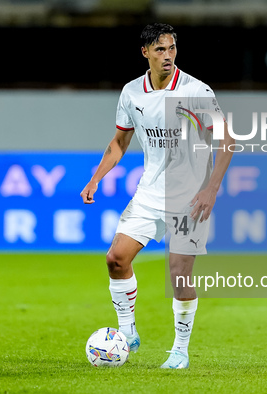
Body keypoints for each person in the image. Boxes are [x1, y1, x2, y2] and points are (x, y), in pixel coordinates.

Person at [80, 23, 235, 369]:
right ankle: (127, 331)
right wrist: (95, 179)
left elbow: (228, 142)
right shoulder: (132, 93)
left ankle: (180, 350)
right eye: (160, 49)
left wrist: (211, 189)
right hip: (150, 192)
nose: (168, 55)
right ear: (145, 53)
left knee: (179, 276)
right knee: (115, 259)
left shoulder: (196, 90)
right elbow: (119, 141)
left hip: (190, 197)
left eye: (172, 48)